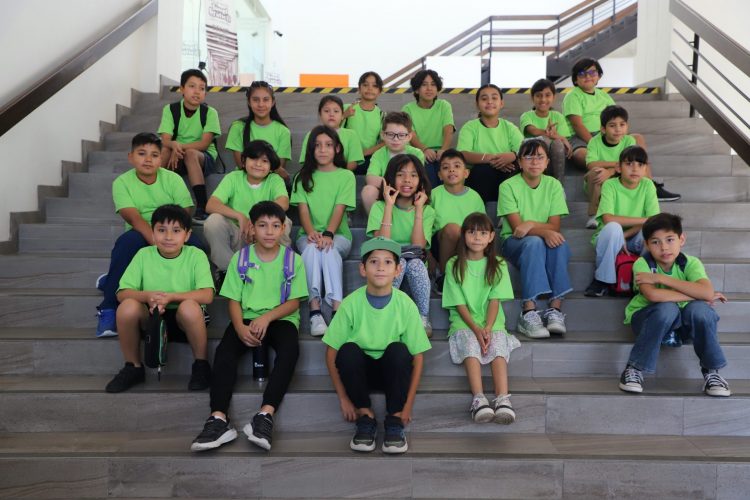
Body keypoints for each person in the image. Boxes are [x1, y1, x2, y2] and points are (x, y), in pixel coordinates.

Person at [191, 201, 308, 452]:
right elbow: (233, 300)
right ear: (252, 228)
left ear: (283, 229)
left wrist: (267, 318)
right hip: (245, 317)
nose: (269, 231)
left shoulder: (293, 260)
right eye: (262, 225)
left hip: (281, 318)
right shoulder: (241, 258)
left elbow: (294, 302)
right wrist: (239, 327)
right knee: (224, 353)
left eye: (275, 226)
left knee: (290, 351)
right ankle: (218, 418)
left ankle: (265, 415)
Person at [323, 237, 431, 454]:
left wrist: (407, 406)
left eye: (388, 262)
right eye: (374, 262)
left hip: (393, 373)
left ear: (398, 270)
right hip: (361, 374)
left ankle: (394, 420)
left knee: (399, 351)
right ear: (363, 269)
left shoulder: (406, 305)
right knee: (348, 351)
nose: (381, 267)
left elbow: (418, 357)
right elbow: (331, 353)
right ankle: (365, 416)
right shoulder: (350, 303)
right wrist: (344, 398)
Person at [95, 132, 201, 338]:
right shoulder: (122, 182)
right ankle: (108, 308)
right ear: (131, 157)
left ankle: (197, 307)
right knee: (126, 244)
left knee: (198, 246)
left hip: (170, 230)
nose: (148, 159)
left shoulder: (172, 179)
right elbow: (133, 218)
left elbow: (185, 211)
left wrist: (169, 234)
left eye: (154, 155)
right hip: (140, 232)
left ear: (161, 158)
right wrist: (157, 240)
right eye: (142, 153)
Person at [619, 213, 731, 397]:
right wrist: (696, 295)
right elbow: (653, 295)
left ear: (682, 240)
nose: (664, 247)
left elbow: (706, 293)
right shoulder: (642, 263)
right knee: (667, 308)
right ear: (647, 244)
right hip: (647, 321)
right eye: (655, 242)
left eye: (670, 240)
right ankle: (634, 368)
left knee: (701, 310)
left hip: (681, 325)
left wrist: (660, 278)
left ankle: (712, 373)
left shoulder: (690, 263)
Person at [104, 204, 214, 393]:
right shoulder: (143, 255)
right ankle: (133, 367)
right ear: (153, 234)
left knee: (189, 307)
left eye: (176, 231)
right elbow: (122, 293)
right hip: (151, 318)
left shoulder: (196, 255)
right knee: (127, 307)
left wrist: (171, 297)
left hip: (184, 321)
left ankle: (201, 365)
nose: (168, 237)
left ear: (187, 235)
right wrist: (148, 296)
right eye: (162, 230)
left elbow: (207, 295)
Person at [563, 58, 679, 201]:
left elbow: (616, 117)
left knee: (637, 139)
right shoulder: (573, 95)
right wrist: (596, 143)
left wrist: (617, 138)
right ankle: (622, 166)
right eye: (582, 73)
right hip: (582, 137)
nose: (588, 76)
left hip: (607, 133)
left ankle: (649, 186)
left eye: (592, 72)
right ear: (575, 79)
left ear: (598, 76)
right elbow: (577, 125)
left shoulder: (604, 96)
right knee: (581, 155)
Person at [443, 213, 520, 424]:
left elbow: (495, 300)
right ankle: (478, 399)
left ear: (491, 237)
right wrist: (476, 329)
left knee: (497, 343)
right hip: (464, 320)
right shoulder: (453, 264)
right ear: (463, 235)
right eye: (472, 232)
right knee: (470, 342)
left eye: (483, 233)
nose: (477, 237)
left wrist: (487, 326)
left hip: (492, 320)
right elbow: (459, 303)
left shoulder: (499, 264)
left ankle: (503, 398)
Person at [498, 139, 571, 339]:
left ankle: (555, 309)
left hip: (540, 239)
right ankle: (528, 311)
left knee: (559, 244)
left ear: (547, 162)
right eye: (528, 157)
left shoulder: (553, 185)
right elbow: (517, 229)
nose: (534, 162)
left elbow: (555, 226)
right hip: (513, 242)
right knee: (535, 242)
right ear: (520, 162)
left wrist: (530, 224)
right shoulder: (507, 186)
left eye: (540, 157)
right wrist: (543, 231)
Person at [291, 125, 356, 336]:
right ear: (311, 149)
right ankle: (315, 312)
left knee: (328, 249)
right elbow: (303, 210)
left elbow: (340, 208)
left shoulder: (346, 176)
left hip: (339, 235)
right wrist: (311, 232)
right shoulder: (301, 177)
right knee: (311, 250)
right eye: (317, 145)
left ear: (337, 149)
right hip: (308, 235)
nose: (322, 149)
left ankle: (337, 311)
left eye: (328, 145)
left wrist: (328, 234)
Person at [367, 154, 435, 336]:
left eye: (413, 175)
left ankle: (423, 317)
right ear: (390, 179)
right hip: (386, 269)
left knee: (414, 264)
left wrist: (418, 209)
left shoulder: (427, 210)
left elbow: (418, 246)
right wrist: (389, 206)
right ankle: (384, 313)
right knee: (400, 262)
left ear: (420, 180)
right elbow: (382, 245)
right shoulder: (379, 207)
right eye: (400, 174)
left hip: (415, 272)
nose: (407, 180)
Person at [204, 140, 291, 282]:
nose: (258, 164)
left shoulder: (274, 180)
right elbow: (211, 204)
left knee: (283, 221)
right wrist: (240, 216)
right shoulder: (233, 177)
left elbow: (284, 202)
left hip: (264, 234)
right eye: (254, 159)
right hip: (238, 235)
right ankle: (228, 271)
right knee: (213, 221)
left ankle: (277, 269)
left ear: (271, 167)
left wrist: (257, 221)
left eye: (264, 161)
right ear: (244, 161)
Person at [585, 146, 660, 297]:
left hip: (634, 238)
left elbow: (654, 221)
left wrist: (625, 236)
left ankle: (644, 280)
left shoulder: (648, 185)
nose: (635, 169)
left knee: (654, 230)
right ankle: (602, 280)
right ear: (618, 168)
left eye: (640, 164)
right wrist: (645, 220)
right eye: (629, 164)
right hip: (610, 238)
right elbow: (608, 219)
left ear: (646, 169)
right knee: (614, 228)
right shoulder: (610, 185)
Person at [157, 68, 221, 223]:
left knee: (191, 153)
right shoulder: (170, 110)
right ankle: (157, 196)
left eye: (202, 88)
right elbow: (165, 140)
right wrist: (173, 145)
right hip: (176, 155)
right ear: (182, 89)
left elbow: (204, 144)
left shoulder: (210, 112)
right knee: (165, 150)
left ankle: (202, 206)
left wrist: (178, 146)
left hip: (202, 157)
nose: (197, 91)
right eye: (192, 86)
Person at [429, 149, 485, 294]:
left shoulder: (475, 197)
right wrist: (428, 256)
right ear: (440, 175)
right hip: (439, 245)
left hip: (467, 244)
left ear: (466, 173)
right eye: (446, 167)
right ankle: (444, 277)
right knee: (453, 229)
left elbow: (483, 228)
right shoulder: (433, 195)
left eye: (457, 166)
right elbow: (424, 229)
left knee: (473, 234)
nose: (451, 170)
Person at [458, 84, 523, 203]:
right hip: (480, 178)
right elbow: (463, 154)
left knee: (515, 169)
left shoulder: (510, 128)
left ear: (501, 103)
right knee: (482, 170)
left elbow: (523, 149)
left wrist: (512, 155)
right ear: (477, 104)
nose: (489, 102)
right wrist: (492, 159)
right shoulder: (469, 127)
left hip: (506, 174)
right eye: (484, 98)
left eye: (494, 98)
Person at [224, 81, 292, 183]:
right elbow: (241, 165)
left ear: (273, 102)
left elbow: (278, 169)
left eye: (266, 100)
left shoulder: (283, 131)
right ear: (249, 102)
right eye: (255, 100)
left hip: (269, 183)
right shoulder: (238, 127)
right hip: (243, 182)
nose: (261, 104)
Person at [361, 111, 425, 214]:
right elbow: (370, 178)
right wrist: (394, 186)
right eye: (390, 134)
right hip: (386, 192)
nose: (395, 139)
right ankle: (377, 223)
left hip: (408, 191)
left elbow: (418, 179)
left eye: (401, 135)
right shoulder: (379, 154)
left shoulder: (417, 153)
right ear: (383, 135)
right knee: (368, 191)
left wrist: (401, 185)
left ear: (409, 136)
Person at [402, 69, 455, 188]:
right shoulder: (407, 109)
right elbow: (411, 134)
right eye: (424, 85)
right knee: (428, 173)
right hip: (418, 152)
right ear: (417, 89)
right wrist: (424, 149)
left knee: (448, 169)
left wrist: (443, 150)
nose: (429, 88)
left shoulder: (444, 105)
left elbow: (448, 129)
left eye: (433, 84)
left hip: (441, 151)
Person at [519, 78, 572, 181]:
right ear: (532, 98)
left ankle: (558, 184)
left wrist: (561, 138)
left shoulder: (558, 116)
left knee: (558, 144)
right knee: (545, 141)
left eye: (547, 95)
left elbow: (563, 138)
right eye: (539, 95)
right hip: (532, 154)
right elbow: (532, 131)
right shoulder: (527, 116)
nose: (543, 99)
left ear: (554, 97)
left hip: (554, 154)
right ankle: (539, 181)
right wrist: (547, 133)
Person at [299, 96, 364, 171]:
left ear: (342, 115)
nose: (331, 114)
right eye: (326, 111)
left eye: (336, 111)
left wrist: (338, 175)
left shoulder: (351, 135)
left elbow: (353, 162)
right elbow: (306, 162)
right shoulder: (311, 135)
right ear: (320, 115)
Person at [342, 71, 386, 174]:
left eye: (374, 86)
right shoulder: (347, 108)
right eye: (365, 85)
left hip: (368, 158)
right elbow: (331, 130)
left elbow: (385, 142)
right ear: (359, 89)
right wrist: (344, 116)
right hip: (345, 158)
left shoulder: (382, 115)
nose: (370, 88)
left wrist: (365, 153)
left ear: (380, 91)